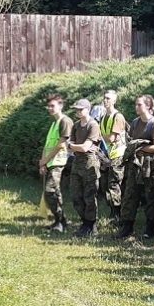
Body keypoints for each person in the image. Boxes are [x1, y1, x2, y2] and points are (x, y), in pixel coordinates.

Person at [116, 95, 154, 239]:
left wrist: (139, 148)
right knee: (130, 194)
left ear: (149, 106)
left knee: (151, 196)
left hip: (150, 164)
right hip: (135, 164)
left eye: (139, 105)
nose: (136, 107)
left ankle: (150, 228)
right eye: (136, 104)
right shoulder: (135, 122)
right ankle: (127, 227)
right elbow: (130, 140)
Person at [67, 99, 103, 237]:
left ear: (88, 109)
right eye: (76, 109)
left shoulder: (93, 125)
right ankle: (84, 222)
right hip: (77, 161)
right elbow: (71, 144)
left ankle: (91, 225)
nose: (78, 111)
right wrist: (73, 146)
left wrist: (71, 146)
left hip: (90, 162)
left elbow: (85, 147)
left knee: (89, 196)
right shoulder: (76, 125)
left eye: (81, 109)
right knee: (76, 195)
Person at [38, 94, 73, 234]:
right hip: (50, 162)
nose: (50, 108)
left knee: (50, 191)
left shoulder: (65, 121)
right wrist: (42, 163)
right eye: (49, 106)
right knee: (55, 192)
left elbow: (60, 145)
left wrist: (45, 160)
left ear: (61, 106)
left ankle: (60, 220)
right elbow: (47, 145)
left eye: (53, 106)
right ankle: (60, 221)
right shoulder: (54, 123)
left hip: (58, 162)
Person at [98, 90, 128, 221]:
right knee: (105, 184)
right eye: (104, 98)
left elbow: (111, 138)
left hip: (118, 155)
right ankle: (112, 211)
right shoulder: (103, 117)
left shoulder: (118, 116)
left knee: (114, 184)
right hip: (107, 156)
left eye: (108, 99)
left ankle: (117, 214)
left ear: (114, 101)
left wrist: (99, 137)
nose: (106, 101)